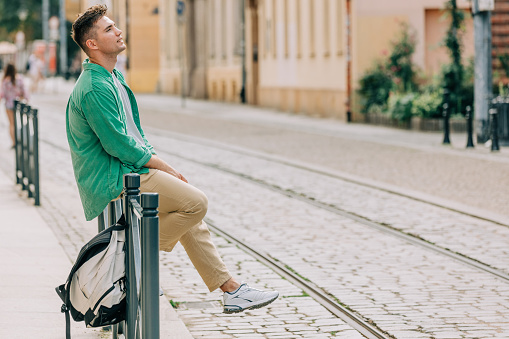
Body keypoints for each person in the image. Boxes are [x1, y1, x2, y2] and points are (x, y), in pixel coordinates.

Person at [66, 4, 278, 314]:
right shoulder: (95, 86)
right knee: (196, 203)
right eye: (109, 29)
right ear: (93, 44)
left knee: (189, 211)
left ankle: (230, 289)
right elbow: (118, 145)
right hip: (116, 175)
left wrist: (153, 160)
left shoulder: (111, 77)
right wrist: (161, 164)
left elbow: (134, 133)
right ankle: (133, 260)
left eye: (115, 25)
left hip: (127, 168)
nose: (119, 31)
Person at [1, 63, 28, 147]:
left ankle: (14, 142)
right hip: (19, 104)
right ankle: (21, 139)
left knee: (11, 124)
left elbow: (2, 94)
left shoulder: (5, 81)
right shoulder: (19, 79)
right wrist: (26, 99)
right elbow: (24, 91)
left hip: (8, 104)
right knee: (20, 122)